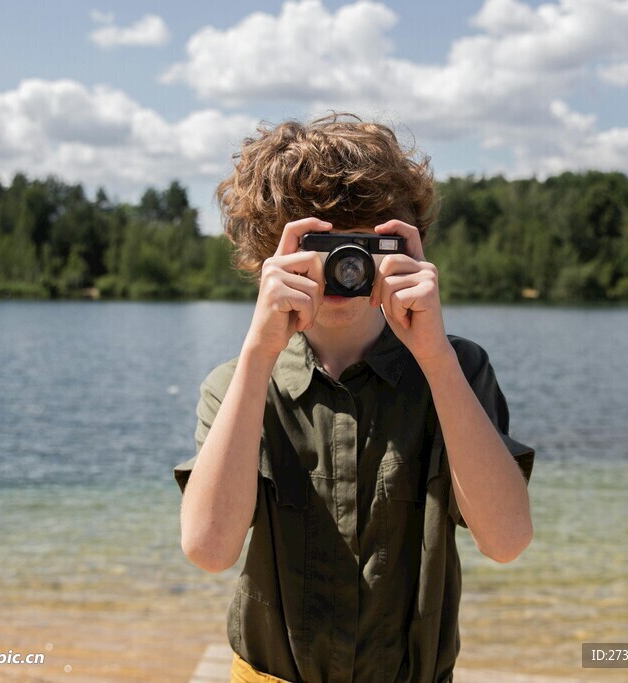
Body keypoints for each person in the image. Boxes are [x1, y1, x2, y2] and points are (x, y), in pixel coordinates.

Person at [174, 113, 534, 683]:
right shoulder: (237, 382)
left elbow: (507, 539)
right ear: (271, 251)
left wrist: (435, 358)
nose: (343, 267)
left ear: (403, 245)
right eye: (320, 243)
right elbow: (209, 550)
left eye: (363, 244)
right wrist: (258, 352)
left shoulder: (457, 369)